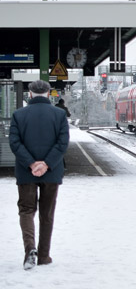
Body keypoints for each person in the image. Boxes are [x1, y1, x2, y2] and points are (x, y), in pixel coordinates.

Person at [9, 79, 70, 270]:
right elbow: (62, 143)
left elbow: (15, 143)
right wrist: (46, 164)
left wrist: (31, 163)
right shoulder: (59, 114)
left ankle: (30, 250)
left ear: (30, 94)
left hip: (26, 172)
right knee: (47, 213)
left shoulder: (18, 114)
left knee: (27, 210)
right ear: (49, 93)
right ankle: (43, 256)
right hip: (51, 173)